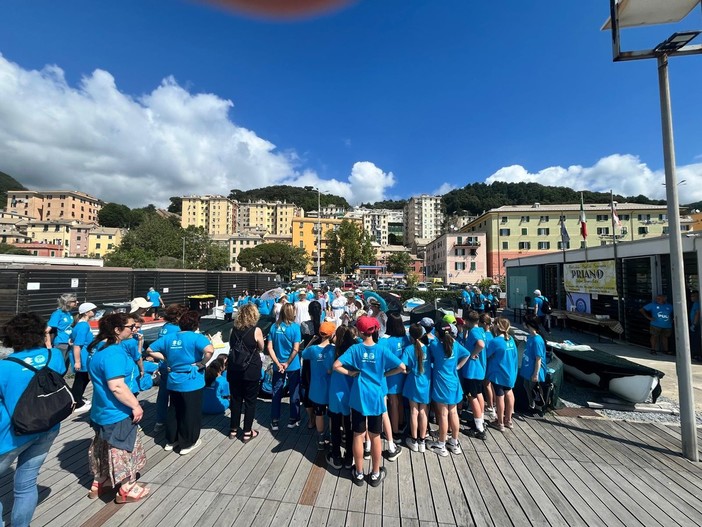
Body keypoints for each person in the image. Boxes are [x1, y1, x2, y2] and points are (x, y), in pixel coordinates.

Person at [0, 313, 68, 525]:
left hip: (11, 435)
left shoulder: (5, 366)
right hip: (47, 427)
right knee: (27, 484)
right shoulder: (54, 356)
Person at [333, 315, 406, 488]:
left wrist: (351, 373)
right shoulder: (381, 350)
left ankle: (358, 473)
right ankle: (374, 473)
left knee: (358, 435)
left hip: (359, 395)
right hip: (376, 396)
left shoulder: (355, 349)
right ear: (374, 331)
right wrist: (385, 374)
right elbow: (402, 367)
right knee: (375, 436)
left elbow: (336, 365)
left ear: (359, 331)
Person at [87, 313, 149, 504]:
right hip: (117, 410)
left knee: (103, 447)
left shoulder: (99, 349)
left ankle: (101, 482)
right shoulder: (113, 353)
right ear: (117, 330)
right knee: (121, 447)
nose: (135, 329)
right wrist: (136, 405)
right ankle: (126, 488)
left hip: (101, 409)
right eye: (131, 327)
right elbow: (117, 386)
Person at [147, 310, 214, 455]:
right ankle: (188, 442)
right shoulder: (197, 337)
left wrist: (166, 359)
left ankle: (171, 440)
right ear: (196, 324)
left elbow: (150, 349)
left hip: (173, 379)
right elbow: (209, 350)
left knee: (174, 410)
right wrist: (202, 363)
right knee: (191, 412)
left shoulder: (170, 337)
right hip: (191, 379)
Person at [427, 322, 470, 457]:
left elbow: (428, 339)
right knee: (454, 413)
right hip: (454, 381)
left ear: (438, 333)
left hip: (441, 383)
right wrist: (458, 366)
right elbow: (467, 354)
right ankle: (454, 442)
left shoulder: (435, 346)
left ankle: (441, 444)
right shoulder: (455, 344)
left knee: (443, 415)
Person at [227, 303, 264, 441]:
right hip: (250, 368)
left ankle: (233, 429)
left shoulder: (233, 329)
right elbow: (261, 347)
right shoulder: (256, 330)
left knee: (236, 399)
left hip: (234, 367)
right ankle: (247, 431)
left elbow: (232, 346)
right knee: (250, 401)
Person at [151, 304, 188, 432]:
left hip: (163, 365)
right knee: (176, 394)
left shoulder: (165, 327)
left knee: (163, 393)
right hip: (173, 366)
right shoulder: (177, 329)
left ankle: (160, 421)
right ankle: (176, 421)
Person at [301, 321, 336, 449]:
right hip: (331, 389)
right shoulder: (334, 350)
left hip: (316, 389)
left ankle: (320, 438)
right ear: (332, 334)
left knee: (319, 414)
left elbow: (303, 353)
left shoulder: (312, 350)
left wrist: (311, 341)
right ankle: (333, 437)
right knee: (332, 415)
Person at [268, 303, 303, 431]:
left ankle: (275, 419)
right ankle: (293, 418)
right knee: (294, 391)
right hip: (292, 364)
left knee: (276, 391)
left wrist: (278, 363)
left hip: (278, 364)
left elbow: (269, 347)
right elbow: (296, 349)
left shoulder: (274, 326)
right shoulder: (295, 328)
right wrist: (287, 363)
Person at [326, 325, 356, 469]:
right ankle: (350, 457)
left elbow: (329, 370)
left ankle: (336, 456)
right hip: (350, 393)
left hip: (335, 393)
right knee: (349, 427)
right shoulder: (354, 351)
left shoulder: (333, 351)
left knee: (335, 427)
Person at [402, 324, 432, 453]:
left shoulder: (409, 349)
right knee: (423, 412)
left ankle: (413, 439)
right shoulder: (429, 349)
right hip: (426, 383)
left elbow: (403, 366)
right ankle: (422, 440)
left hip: (413, 382)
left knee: (414, 411)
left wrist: (407, 371)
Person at [382, 312, 410, 449]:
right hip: (403, 374)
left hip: (391, 374)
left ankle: (394, 431)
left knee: (393, 402)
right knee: (398, 400)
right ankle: (400, 423)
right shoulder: (406, 338)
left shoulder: (388, 342)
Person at [485, 317, 519, 432]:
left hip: (498, 372)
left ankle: (499, 422)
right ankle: (508, 420)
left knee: (500, 396)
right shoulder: (511, 340)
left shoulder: (495, 341)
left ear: (497, 327)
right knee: (509, 392)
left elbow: (487, 355)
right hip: (510, 371)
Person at [460, 310, 487, 440]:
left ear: (468, 320)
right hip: (480, 369)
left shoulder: (475, 332)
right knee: (479, 394)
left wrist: (472, 354)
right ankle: (480, 419)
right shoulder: (480, 330)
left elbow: (480, 344)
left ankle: (479, 428)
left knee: (472, 397)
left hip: (472, 370)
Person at [69, 302, 97, 414]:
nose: (94, 312)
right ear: (86, 312)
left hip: (83, 354)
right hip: (82, 356)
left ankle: (77, 399)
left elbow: (71, 340)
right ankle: (77, 402)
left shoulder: (80, 324)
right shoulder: (83, 326)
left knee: (82, 379)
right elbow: (77, 345)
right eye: (93, 310)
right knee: (81, 379)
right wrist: (77, 361)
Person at [519, 315, 548, 410]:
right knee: (526, 385)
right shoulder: (530, 337)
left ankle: (537, 407)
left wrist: (536, 373)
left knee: (533, 388)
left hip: (534, 369)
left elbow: (538, 358)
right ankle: (531, 404)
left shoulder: (537, 340)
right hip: (528, 367)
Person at [44, 293, 78, 366]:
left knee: (65, 366)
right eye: (74, 301)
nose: (77, 302)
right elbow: (46, 331)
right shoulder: (57, 314)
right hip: (61, 343)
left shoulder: (68, 313)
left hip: (69, 342)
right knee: (58, 365)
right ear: (68, 303)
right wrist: (49, 346)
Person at [690, 291, 701, 362]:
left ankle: (696, 354)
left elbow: (697, 314)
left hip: (696, 325)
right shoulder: (694, 303)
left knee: (695, 340)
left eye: (693, 296)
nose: (691, 298)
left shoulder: (697, 303)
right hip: (695, 324)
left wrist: (694, 324)